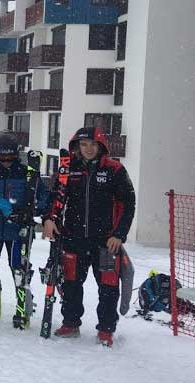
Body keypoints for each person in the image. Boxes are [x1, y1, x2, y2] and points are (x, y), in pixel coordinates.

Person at [43, 127, 135, 347]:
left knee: (108, 287)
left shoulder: (114, 169)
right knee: (72, 284)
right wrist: (49, 219)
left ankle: (106, 330)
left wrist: (119, 235)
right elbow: (56, 198)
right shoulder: (67, 170)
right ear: (76, 147)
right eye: (84, 145)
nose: (89, 149)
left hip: (106, 242)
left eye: (93, 144)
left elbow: (128, 204)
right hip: (73, 238)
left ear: (101, 146)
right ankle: (71, 323)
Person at [0, 132, 49, 324]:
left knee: (18, 268)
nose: (7, 162)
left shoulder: (27, 174)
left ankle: (22, 308)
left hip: (18, 230)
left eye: (10, 157)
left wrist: (28, 211)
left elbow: (43, 197)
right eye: (3, 157)